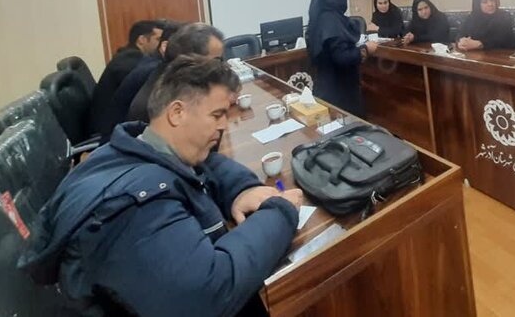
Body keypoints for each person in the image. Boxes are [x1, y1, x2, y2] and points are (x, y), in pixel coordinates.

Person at [19, 55, 303, 317]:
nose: (223, 126)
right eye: (217, 115)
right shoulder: (134, 209)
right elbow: (208, 294)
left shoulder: (137, 147)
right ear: (177, 112)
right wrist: (280, 211)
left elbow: (206, 164)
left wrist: (241, 189)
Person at [127, 22, 226, 124]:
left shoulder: (172, 79)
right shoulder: (166, 100)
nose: (222, 67)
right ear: (192, 60)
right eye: (217, 61)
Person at [101, 21, 183, 142]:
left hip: (121, 135)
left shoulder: (144, 62)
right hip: (118, 139)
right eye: (157, 39)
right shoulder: (150, 70)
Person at [306, 0, 377, 116]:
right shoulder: (331, 20)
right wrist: (366, 49)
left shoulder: (320, 17)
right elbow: (342, 57)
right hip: (340, 92)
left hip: (326, 87)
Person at [87, 20, 163, 138]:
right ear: (142, 40)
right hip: (109, 130)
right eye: (157, 39)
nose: (160, 44)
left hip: (111, 123)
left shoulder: (128, 56)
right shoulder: (132, 65)